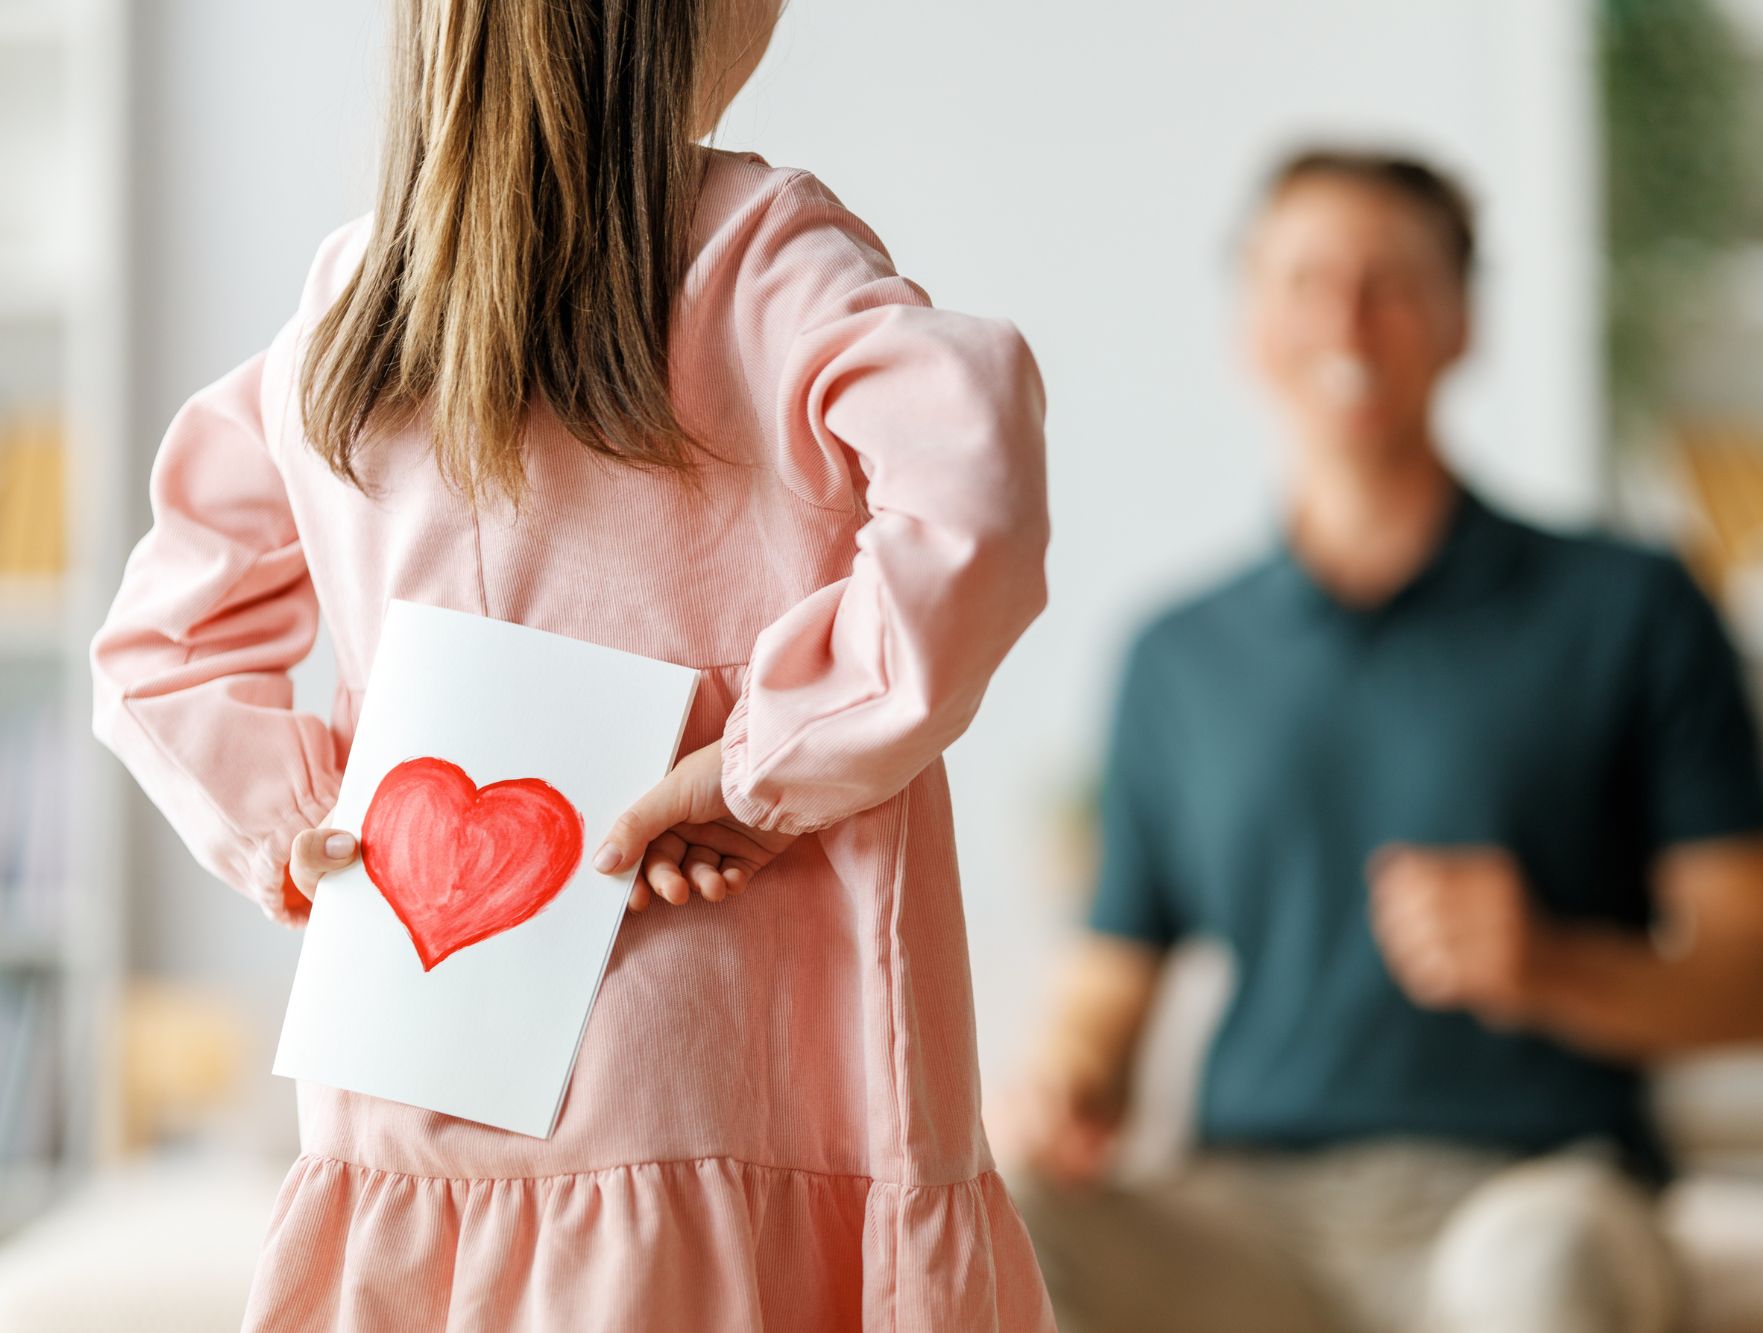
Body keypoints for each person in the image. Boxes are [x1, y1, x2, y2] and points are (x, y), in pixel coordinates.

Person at [88, 1, 1056, 1327]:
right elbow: (977, 481)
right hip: (728, 1067)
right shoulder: (755, 253)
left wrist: (303, 821)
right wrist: (775, 756)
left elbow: (159, 646)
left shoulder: (357, 297)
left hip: (411, 1052)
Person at [999, 149, 1763, 1333]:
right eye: (1303, 280)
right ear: (1249, 324)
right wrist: (1066, 1082)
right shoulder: (1173, 656)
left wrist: (1546, 963)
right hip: (1248, 1216)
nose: (1345, 317)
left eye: (1390, 281)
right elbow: (1105, 992)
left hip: (1532, 1193)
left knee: (1535, 1275)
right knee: (1005, 1213)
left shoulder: (1630, 607)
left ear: (1460, 323)